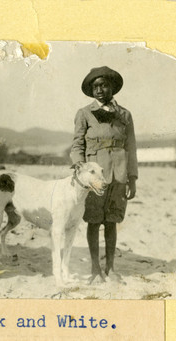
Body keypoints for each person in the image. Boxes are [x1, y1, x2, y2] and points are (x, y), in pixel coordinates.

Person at [70, 66, 138, 284]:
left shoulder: (124, 115)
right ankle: (95, 270)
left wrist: (132, 178)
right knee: (93, 221)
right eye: (95, 86)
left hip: (119, 175)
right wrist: (79, 167)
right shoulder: (84, 113)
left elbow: (131, 147)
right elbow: (76, 145)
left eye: (104, 85)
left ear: (112, 88)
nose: (100, 90)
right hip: (94, 178)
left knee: (112, 222)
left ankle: (110, 269)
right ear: (91, 90)